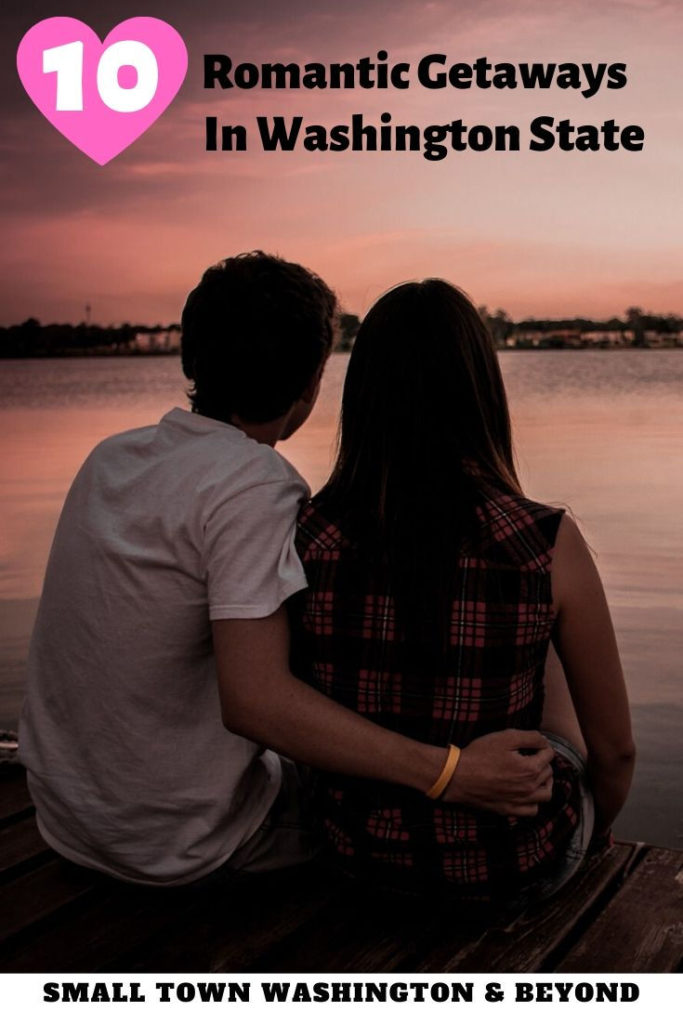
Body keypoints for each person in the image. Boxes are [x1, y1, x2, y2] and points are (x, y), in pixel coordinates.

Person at [18, 255, 554, 888]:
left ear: (191, 361)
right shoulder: (255, 485)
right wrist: (449, 771)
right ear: (310, 386)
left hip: (68, 817)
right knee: (372, 805)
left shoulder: (110, 459)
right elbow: (256, 704)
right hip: (181, 843)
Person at [291, 279, 635, 903]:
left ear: (362, 395)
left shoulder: (306, 533)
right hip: (509, 864)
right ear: (481, 392)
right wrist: (591, 831)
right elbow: (616, 755)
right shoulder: (545, 539)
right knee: (550, 633)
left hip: (355, 858)